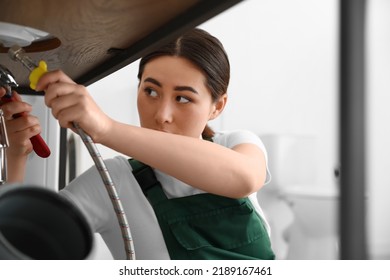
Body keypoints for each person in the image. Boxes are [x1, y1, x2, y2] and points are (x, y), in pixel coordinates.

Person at [1, 28, 275, 260]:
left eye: (183, 98)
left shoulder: (237, 144)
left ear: (217, 106)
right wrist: (16, 158)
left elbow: (242, 178)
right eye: (151, 91)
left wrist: (106, 128)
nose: (162, 115)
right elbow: (22, 244)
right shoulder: (112, 181)